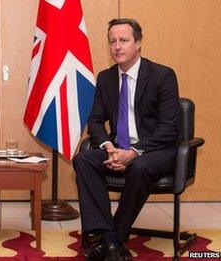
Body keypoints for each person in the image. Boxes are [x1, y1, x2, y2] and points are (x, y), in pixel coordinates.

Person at [73, 18, 179, 261]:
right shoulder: (105, 78)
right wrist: (109, 147)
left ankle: (110, 240)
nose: (117, 47)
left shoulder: (162, 75)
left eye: (124, 40)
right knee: (83, 160)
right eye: (112, 42)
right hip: (117, 146)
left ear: (138, 43)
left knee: (139, 166)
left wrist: (134, 151)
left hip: (154, 150)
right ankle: (105, 233)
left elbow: (169, 129)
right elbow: (96, 120)